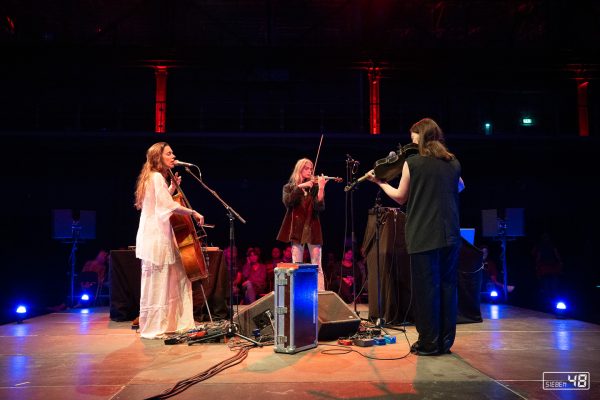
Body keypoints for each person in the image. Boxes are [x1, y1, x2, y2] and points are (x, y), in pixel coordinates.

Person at [366, 117, 465, 356]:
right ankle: (444, 342)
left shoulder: (413, 162)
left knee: (426, 290)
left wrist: (379, 182)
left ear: (422, 138)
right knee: (447, 288)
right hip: (450, 234)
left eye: (414, 138)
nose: (412, 142)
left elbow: (400, 197)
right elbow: (460, 186)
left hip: (423, 235)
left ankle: (429, 343)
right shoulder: (453, 162)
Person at [134, 142, 205, 339]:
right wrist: (193, 212)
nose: (173, 156)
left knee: (171, 277)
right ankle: (162, 325)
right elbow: (167, 206)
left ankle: (170, 323)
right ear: (158, 157)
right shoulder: (156, 177)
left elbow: (160, 203)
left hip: (155, 234)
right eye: (169, 154)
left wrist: (172, 187)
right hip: (158, 236)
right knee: (165, 279)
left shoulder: (153, 178)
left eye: (173, 153)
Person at [276, 158, 328, 291]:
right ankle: (297, 296)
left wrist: (321, 188)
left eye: (311, 169)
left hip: (312, 228)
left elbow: (319, 207)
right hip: (297, 229)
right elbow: (288, 202)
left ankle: (320, 295)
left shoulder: (314, 187)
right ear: (299, 169)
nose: (310, 171)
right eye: (307, 168)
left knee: (317, 265)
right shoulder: (289, 187)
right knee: (296, 265)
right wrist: (301, 187)